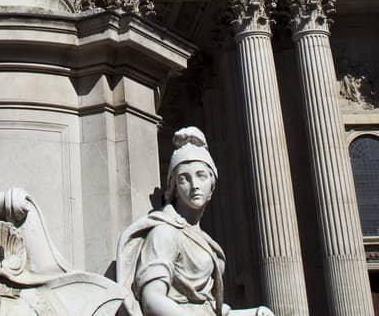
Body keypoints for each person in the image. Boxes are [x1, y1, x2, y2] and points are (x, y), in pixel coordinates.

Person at [115, 127, 276, 316]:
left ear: (212, 184)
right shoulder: (165, 232)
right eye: (184, 179)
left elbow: (208, 308)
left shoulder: (204, 240)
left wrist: (253, 313)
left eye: (201, 176)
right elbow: (152, 300)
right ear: (174, 187)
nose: (195, 186)